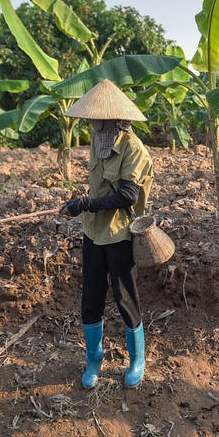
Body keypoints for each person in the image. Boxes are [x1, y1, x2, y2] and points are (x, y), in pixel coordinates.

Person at [61, 80, 154, 389]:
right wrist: (82, 203)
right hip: (93, 232)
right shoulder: (98, 140)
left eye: (96, 119)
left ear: (111, 118)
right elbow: (98, 187)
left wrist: (88, 203)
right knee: (91, 297)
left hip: (120, 234)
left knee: (125, 298)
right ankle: (94, 359)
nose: (91, 124)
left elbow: (127, 195)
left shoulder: (133, 148)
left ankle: (137, 359)